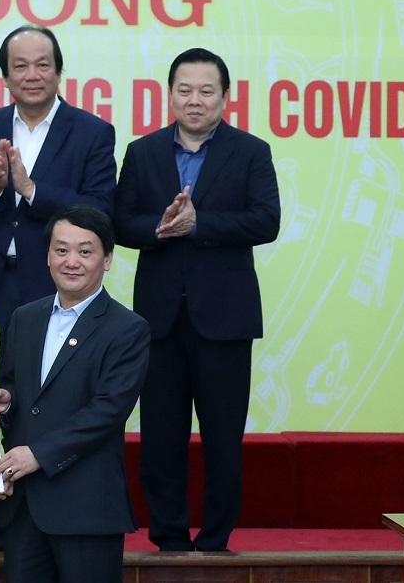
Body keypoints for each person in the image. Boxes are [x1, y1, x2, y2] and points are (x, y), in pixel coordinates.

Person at [114, 47, 280, 552]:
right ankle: (168, 537)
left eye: (206, 91)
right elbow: (120, 222)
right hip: (159, 320)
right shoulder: (142, 152)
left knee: (223, 439)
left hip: (225, 319)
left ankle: (214, 540)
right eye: (184, 89)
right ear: (169, 95)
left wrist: (199, 224)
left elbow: (266, 220)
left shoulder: (251, 151)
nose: (195, 99)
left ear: (225, 97)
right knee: (161, 437)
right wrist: (162, 227)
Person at [0, 204, 149, 582]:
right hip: (24, 507)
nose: (71, 261)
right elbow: (14, 386)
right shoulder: (24, 317)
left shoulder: (127, 328)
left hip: (86, 507)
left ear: (107, 259)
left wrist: (37, 455)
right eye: (61, 250)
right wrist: (8, 401)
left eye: (85, 251)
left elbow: (107, 411)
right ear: (47, 256)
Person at [0, 25, 117, 337]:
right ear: (5, 77)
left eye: (42, 65)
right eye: (20, 66)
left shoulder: (93, 133)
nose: (32, 75)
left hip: (54, 286)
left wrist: (32, 190)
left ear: (58, 72)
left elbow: (101, 212)